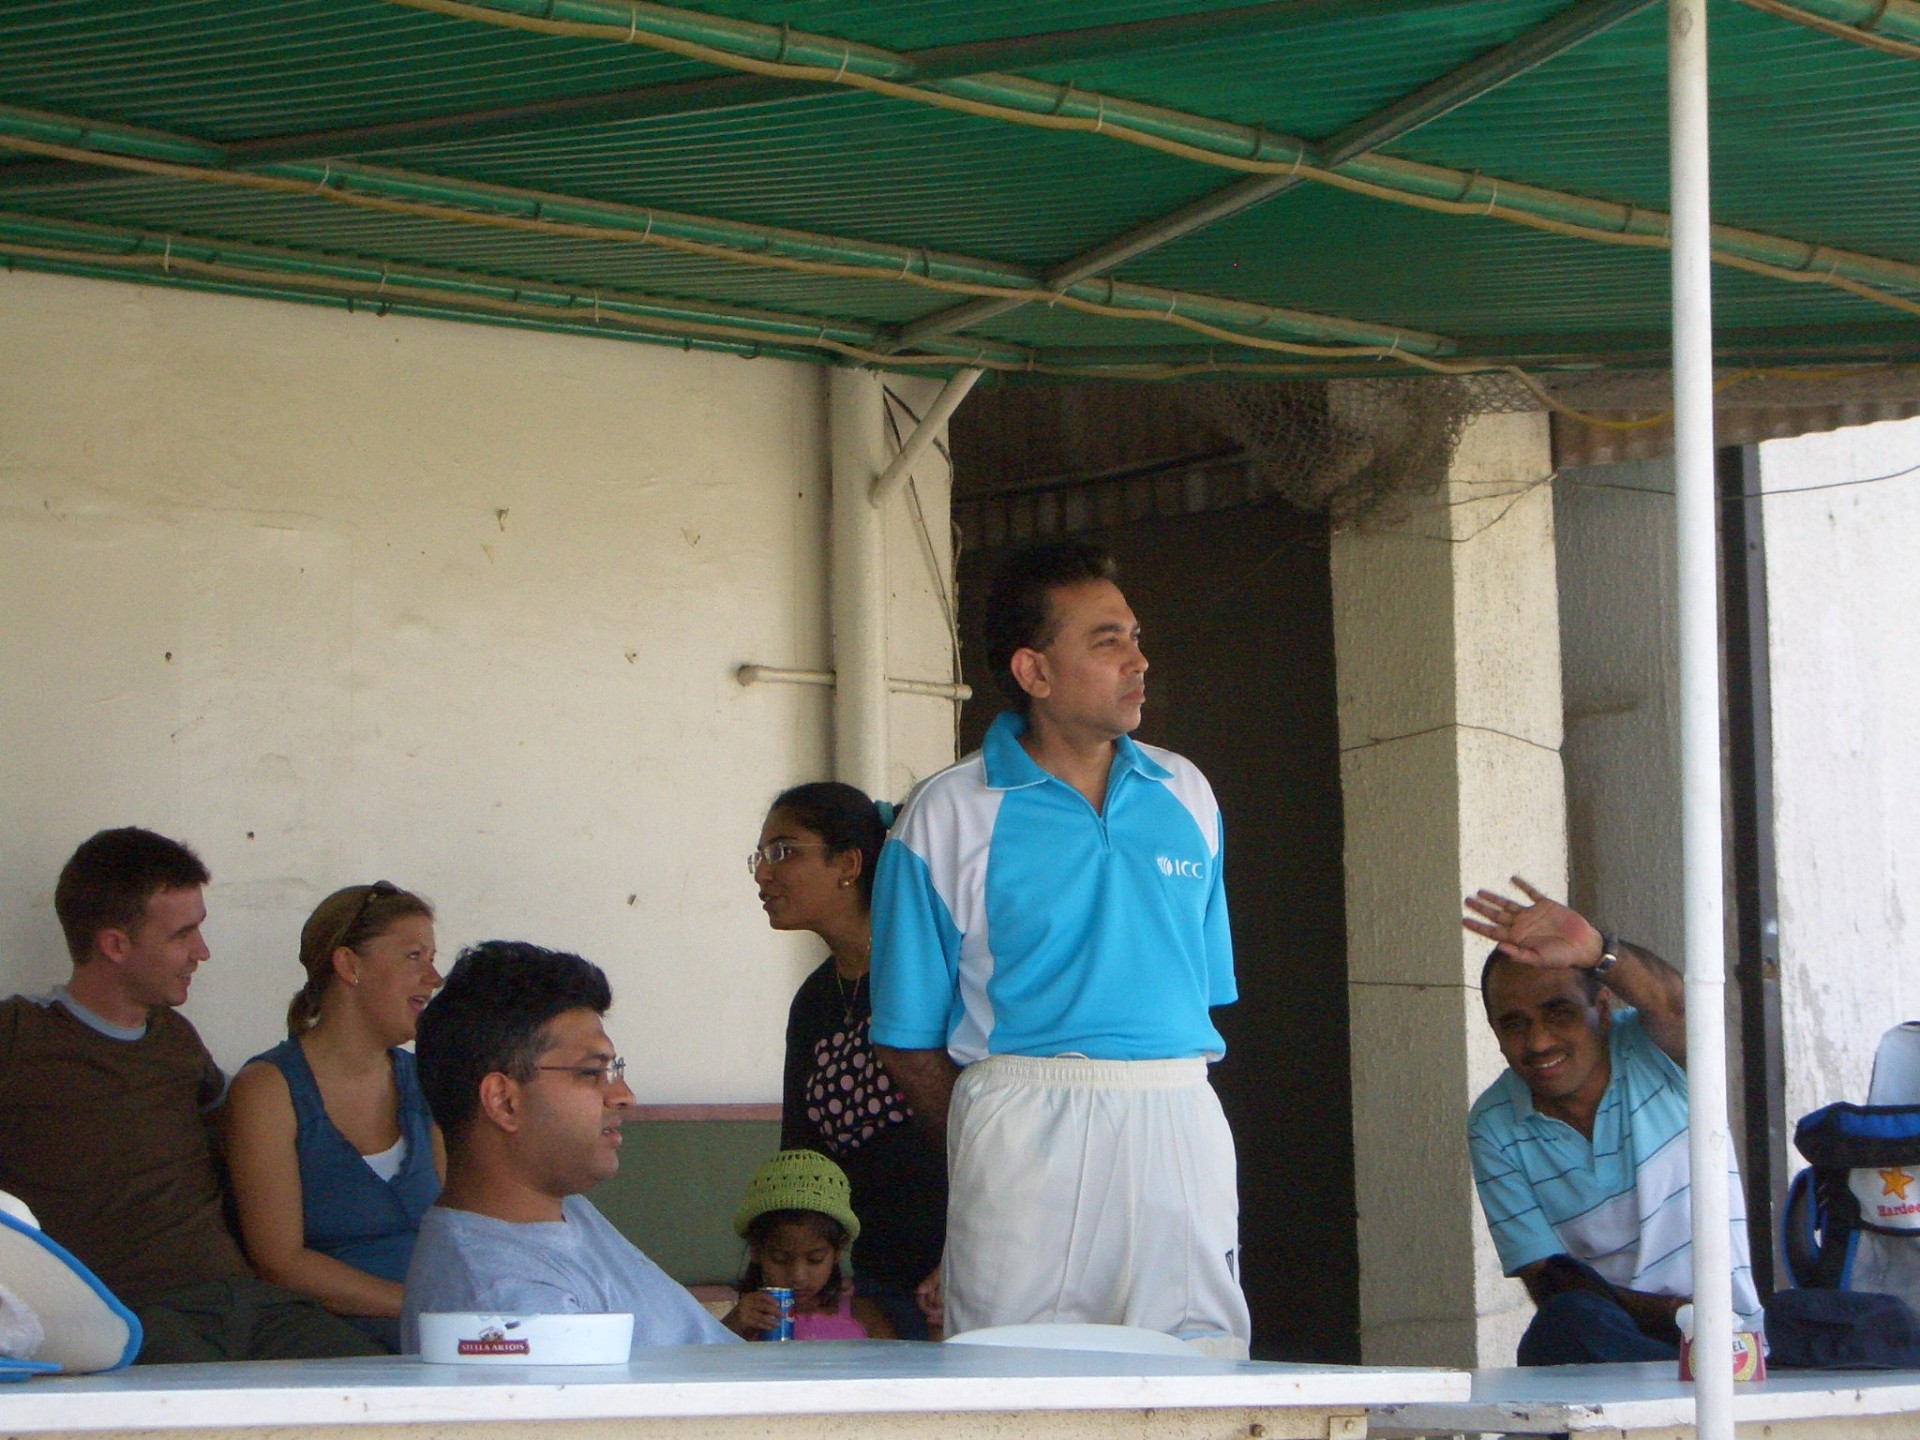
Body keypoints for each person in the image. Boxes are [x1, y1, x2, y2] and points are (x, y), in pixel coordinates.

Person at [871, 539, 1249, 1355]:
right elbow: (904, 1038)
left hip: (1177, 1108)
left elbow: (1204, 988)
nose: (1138, 661)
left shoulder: (1188, 792)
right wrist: (986, 1135)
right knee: (1015, 1372)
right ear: (1034, 671)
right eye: (1108, 642)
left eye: (1135, 637)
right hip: (1021, 1118)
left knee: (1200, 1365)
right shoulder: (944, 815)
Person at [0, 827, 381, 1363]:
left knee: (376, 1380)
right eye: (182, 935)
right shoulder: (19, 1035)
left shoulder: (176, 1037)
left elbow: (242, 1136)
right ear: (115, 945)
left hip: (246, 1300)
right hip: (131, 1317)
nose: (201, 952)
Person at [1464, 876, 1765, 1365]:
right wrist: (1679, 1314)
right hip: (1615, 1354)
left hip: (1731, 1347)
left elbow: (1679, 1005)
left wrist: (1598, 951)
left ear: (1602, 1009)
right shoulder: (1493, 1125)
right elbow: (1551, 1281)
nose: (1538, 1042)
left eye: (1559, 1013)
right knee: (1567, 1321)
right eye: (1514, 1024)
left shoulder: (1654, 1049)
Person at [399, 940, 736, 1353]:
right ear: (504, 1102)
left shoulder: (560, 1209)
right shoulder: (506, 1308)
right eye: (592, 1072)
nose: (623, 1095)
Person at [753, 782, 946, 1339]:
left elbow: (982, 1132)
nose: (763, 874)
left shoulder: (934, 972)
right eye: (760, 856)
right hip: (870, 1281)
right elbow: (801, 1160)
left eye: (783, 852)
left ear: (848, 864)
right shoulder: (814, 1002)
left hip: (956, 1276)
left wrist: (965, 1254)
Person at [224, 883, 445, 1351]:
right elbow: (280, 1263)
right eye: (414, 957)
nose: (435, 977)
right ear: (349, 965)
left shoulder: (427, 1082)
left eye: (432, 958)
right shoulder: (269, 1089)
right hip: (329, 1345)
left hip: (439, 1337)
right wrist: (421, 1307)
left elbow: (457, 1229)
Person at [721, 1149, 894, 1340]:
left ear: (838, 1250)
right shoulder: (744, 1322)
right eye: (780, 1260)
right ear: (755, 1250)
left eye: (815, 1259)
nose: (798, 1276)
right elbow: (707, 1355)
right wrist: (732, 1327)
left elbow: (898, 1359)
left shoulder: (863, 1316)